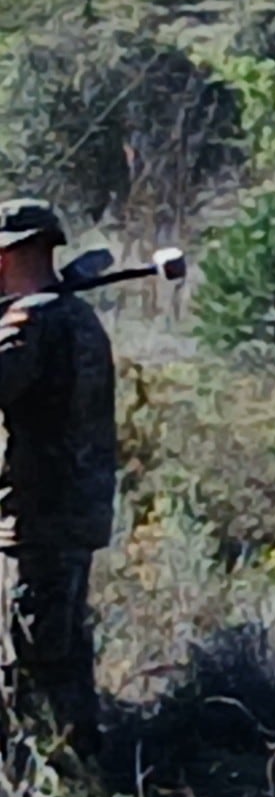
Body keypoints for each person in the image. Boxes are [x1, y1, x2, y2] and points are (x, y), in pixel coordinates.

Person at [0, 199, 118, 761]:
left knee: (28, 658)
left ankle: (32, 777)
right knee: (64, 655)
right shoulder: (77, 318)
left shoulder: (32, 324)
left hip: (39, 519)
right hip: (75, 514)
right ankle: (82, 769)